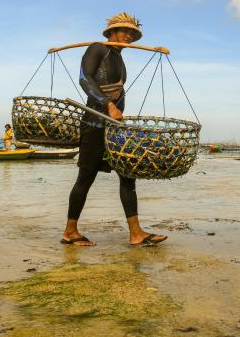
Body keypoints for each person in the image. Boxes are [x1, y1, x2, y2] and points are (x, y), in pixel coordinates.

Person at [61, 13, 168, 247]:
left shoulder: (119, 58)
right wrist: (108, 105)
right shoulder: (97, 48)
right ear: (112, 32)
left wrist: (156, 51)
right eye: (124, 31)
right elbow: (84, 78)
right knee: (85, 178)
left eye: (132, 33)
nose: (129, 35)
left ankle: (136, 233)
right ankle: (70, 231)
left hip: (114, 128)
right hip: (94, 123)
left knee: (128, 176)